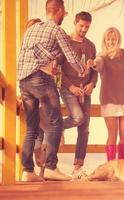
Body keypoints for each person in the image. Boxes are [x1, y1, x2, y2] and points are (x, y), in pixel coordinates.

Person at [17, 0, 86, 182]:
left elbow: (32, 54)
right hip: (41, 80)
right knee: (55, 123)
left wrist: (50, 64)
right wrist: (82, 69)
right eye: (64, 12)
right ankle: (50, 167)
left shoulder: (31, 29)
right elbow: (71, 55)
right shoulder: (56, 30)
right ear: (60, 11)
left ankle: (27, 171)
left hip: (24, 81)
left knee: (31, 127)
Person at [90, 27, 124, 161]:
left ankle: (122, 164)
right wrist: (93, 63)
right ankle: (111, 166)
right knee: (112, 134)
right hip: (109, 100)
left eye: (113, 39)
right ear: (104, 40)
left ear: (118, 40)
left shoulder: (123, 54)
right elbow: (98, 64)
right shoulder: (101, 55)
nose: (110, 42)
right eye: (108, 39)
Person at [59, 11, 98, 180]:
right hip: (68, 88)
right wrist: (71, 87)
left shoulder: (91, 46)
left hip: (85, 90)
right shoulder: (65, 42)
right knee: (78, 117)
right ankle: (56, 127)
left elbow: (96, 70)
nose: (84, 29)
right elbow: (58, 70)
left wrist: (92, 84)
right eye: (81, 26)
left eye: (87, 27)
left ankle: (77, 167)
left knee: (84, 128)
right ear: (75, 23)